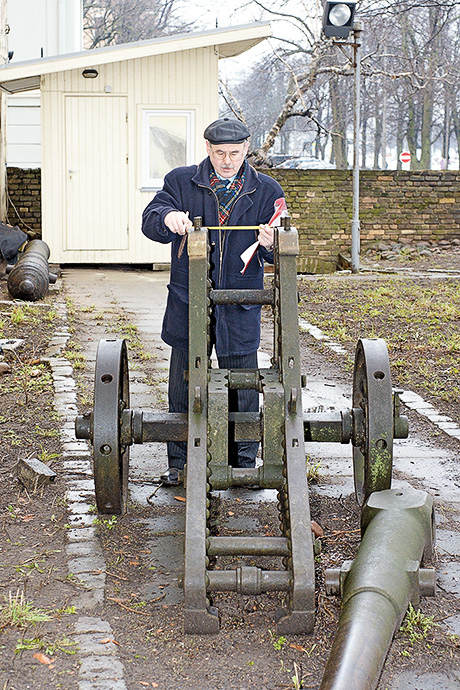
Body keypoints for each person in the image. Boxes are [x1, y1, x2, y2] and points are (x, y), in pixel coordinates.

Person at [142, 117, 285, 485]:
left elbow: (280, 244)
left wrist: (272, 243)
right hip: (188, 300)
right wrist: (168, 216)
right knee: (184, 382)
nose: (226, 160)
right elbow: (151, 219)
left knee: (241, 383)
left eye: (234, 154)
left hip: (240, 303)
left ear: (246, 149)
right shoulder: (180, 181)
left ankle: (241, 461)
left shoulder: (266, 189)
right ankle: (179, 463)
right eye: (219, 153)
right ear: (207, 148)